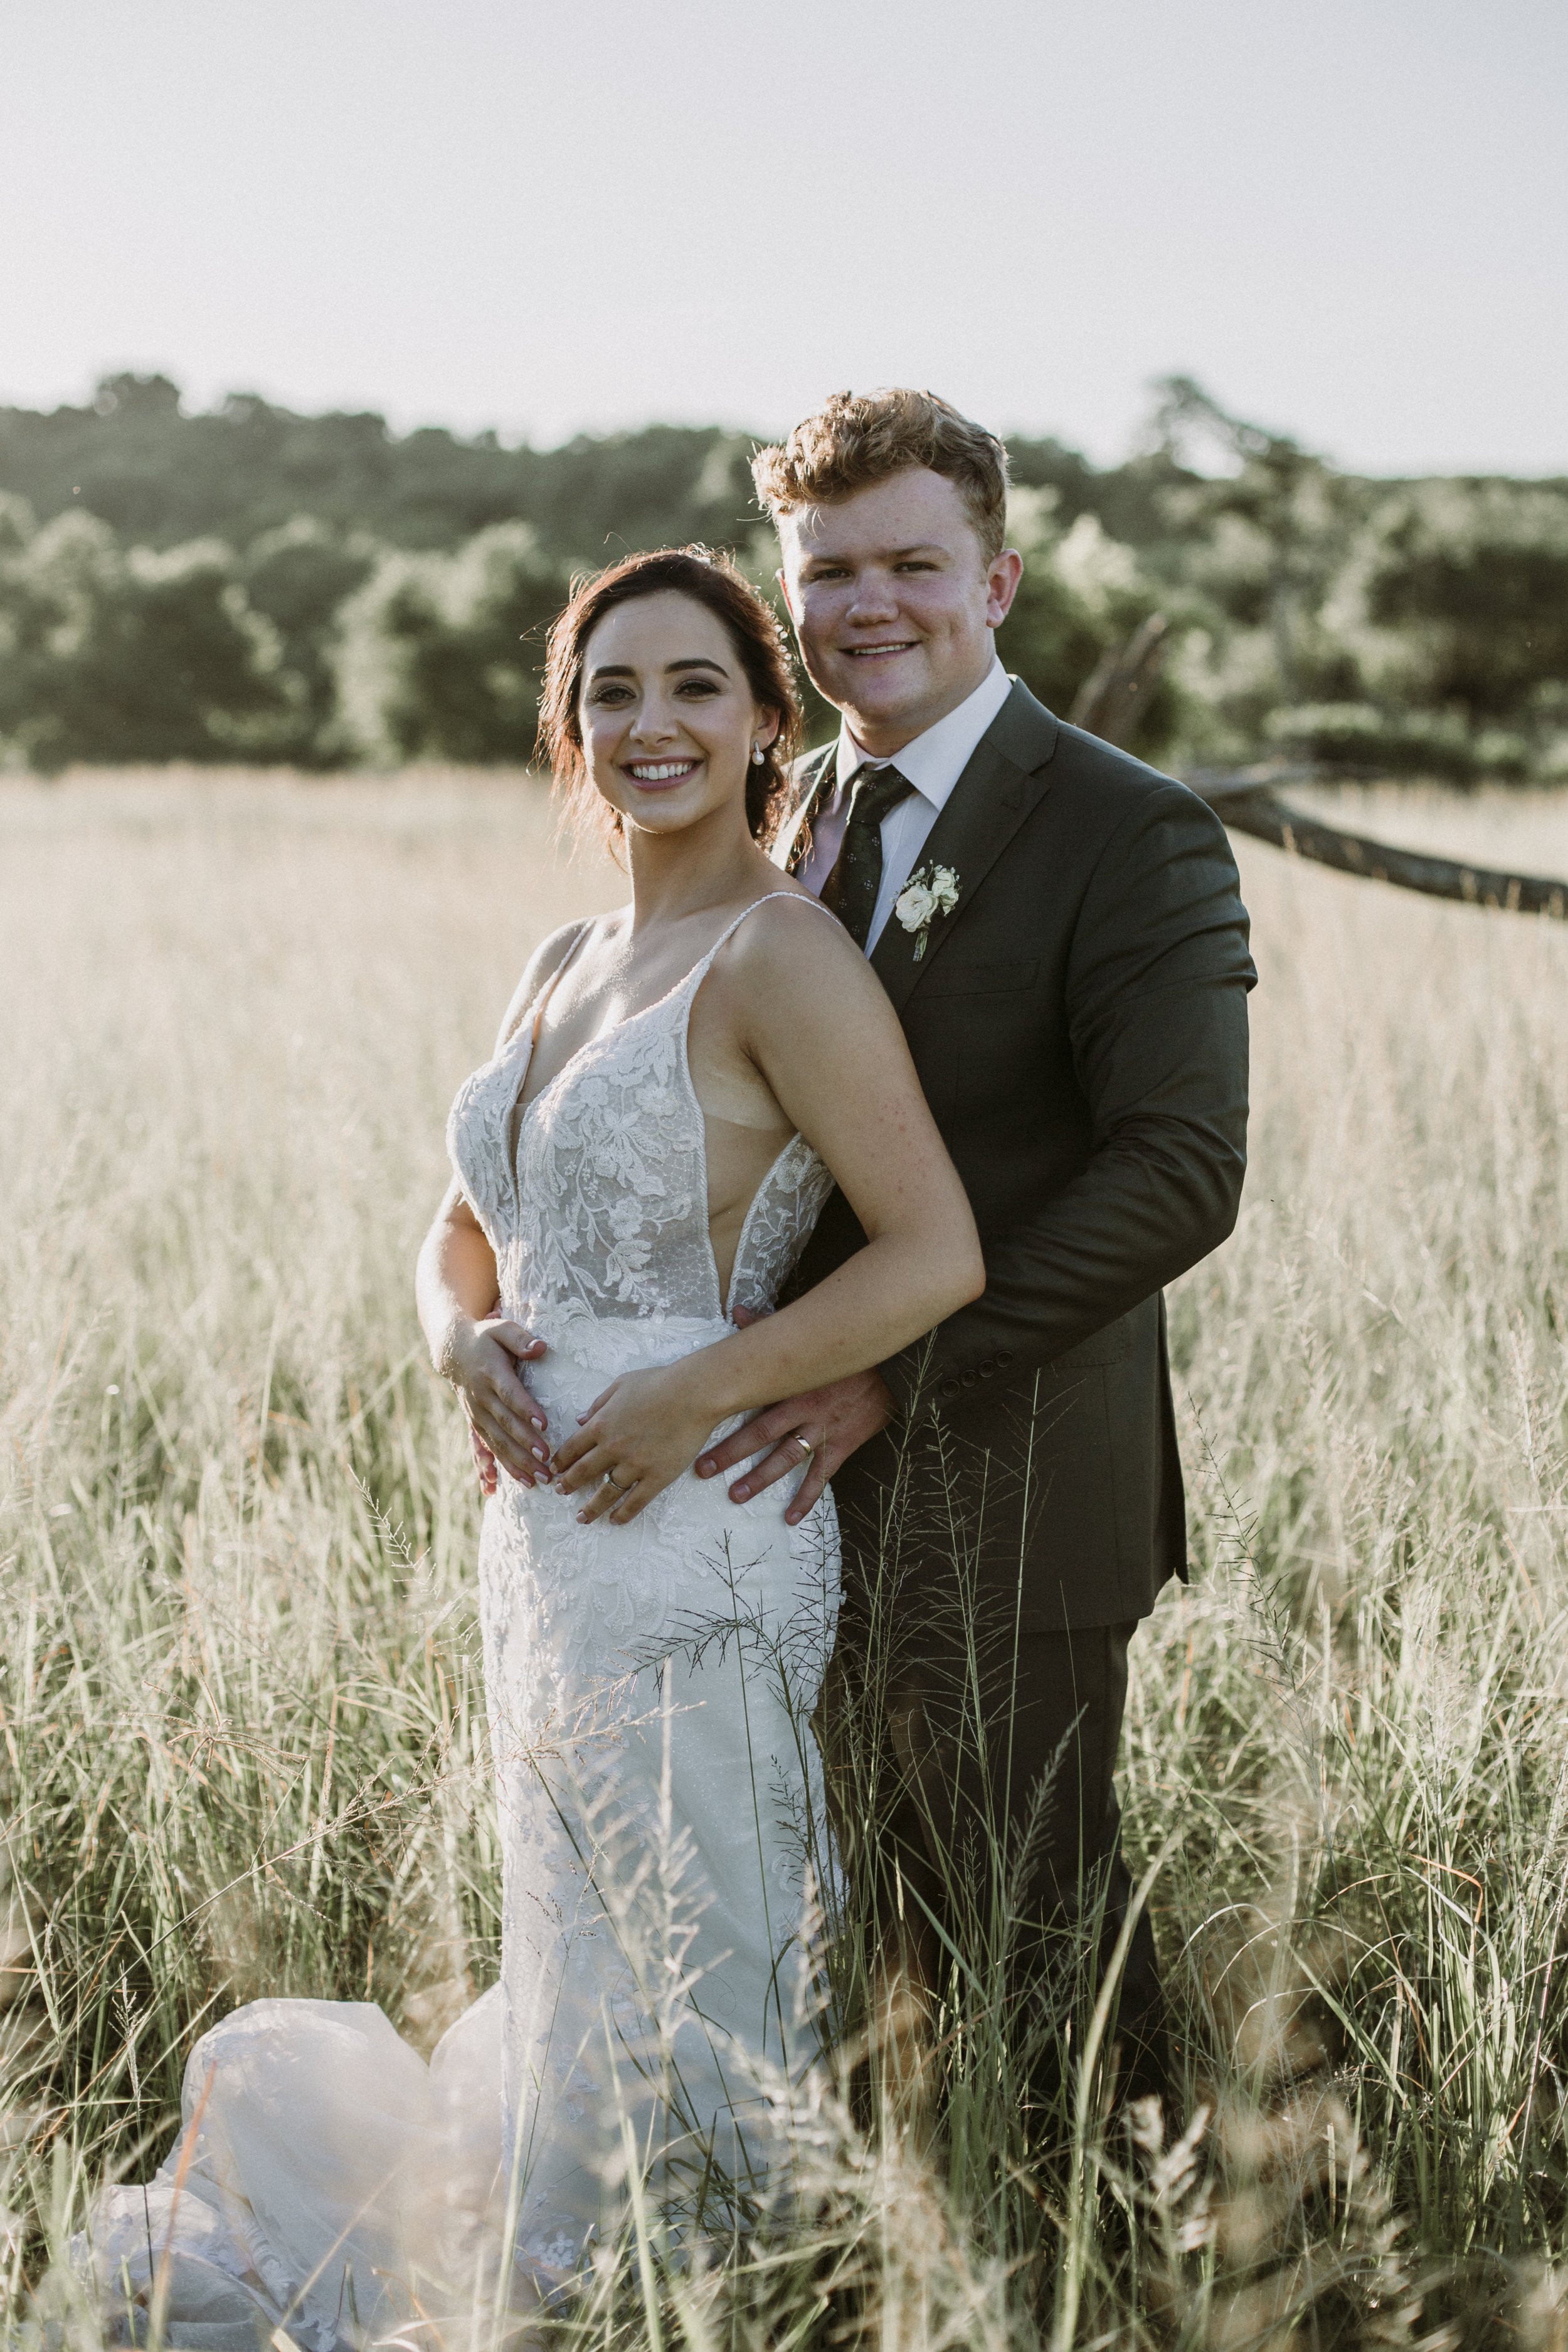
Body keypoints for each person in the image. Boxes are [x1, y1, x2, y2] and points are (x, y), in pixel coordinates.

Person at [82, 548, 983, 2348]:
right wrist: (452, 1339)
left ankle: (715, 2281)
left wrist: (701, 1388)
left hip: (698, 1526)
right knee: (574, 1923)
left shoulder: (782, 957)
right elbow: (458, 1225)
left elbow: (933, 1252)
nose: (649, 724)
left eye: (692, 688)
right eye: (612, 693)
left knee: (704, 1933)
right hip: (545, 1548)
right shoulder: (562, 958)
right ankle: (576, 2260)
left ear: (760, 722)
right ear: (571, 731)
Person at [690, 389, 1258, 2113]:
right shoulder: (783, 826)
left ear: (996, 581)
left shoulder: (1125, 829)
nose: (869, 606)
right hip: (790, 1495)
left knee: (1051, 1951)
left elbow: (1180, 1172)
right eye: (828, 570)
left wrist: (883, 1368)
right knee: (876, 1955)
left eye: (912, 564)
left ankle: (1157, 2279)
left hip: (1014, 1492)